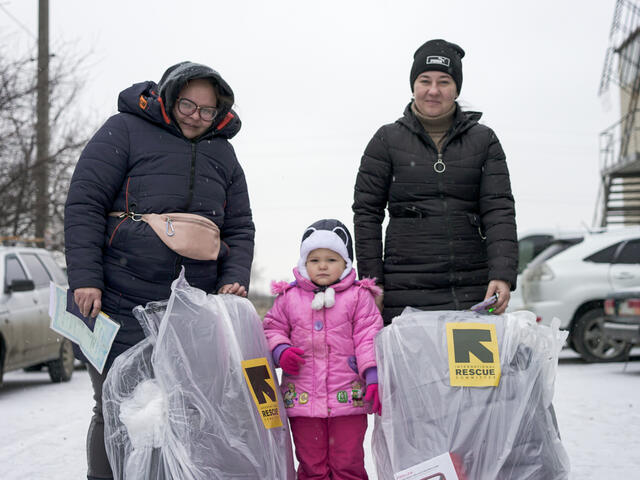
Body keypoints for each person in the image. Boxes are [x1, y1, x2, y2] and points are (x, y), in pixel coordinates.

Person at [64, 61, 255, 480]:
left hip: (188, 312)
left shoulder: (222, 151)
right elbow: (84, 204)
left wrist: (233, 276)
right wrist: (85, 278)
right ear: (170, 96)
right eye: (189, 104)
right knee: (117, 407)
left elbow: (239, 226)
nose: (196, 116)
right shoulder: (124, 129)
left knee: (183, 412)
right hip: (115, 299)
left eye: (208, 111)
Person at [353, 39, 518, 324]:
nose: (433, 90)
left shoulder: (484, 140)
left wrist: (502, 275)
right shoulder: (386, 140)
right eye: (424, 80)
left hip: (470, 290)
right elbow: (367, 213)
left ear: (456, 89)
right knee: (413, 368)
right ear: (413, 86)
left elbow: (499, 210)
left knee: (469, 370)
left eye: (444, 82)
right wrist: (371, 281)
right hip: (404, 290)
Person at [263, 219, 383, 480]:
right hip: (303, 400)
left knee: (347, 462)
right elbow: (271, 329)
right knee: (311, 464)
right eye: (314, 260)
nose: (323, 266)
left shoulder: (358, 297)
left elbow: (368, 337)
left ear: (346, 263)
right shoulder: (289, 298)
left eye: (331, 259)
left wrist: (372, 375)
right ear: (304, 263)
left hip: (349, 399)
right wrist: (281, 350)